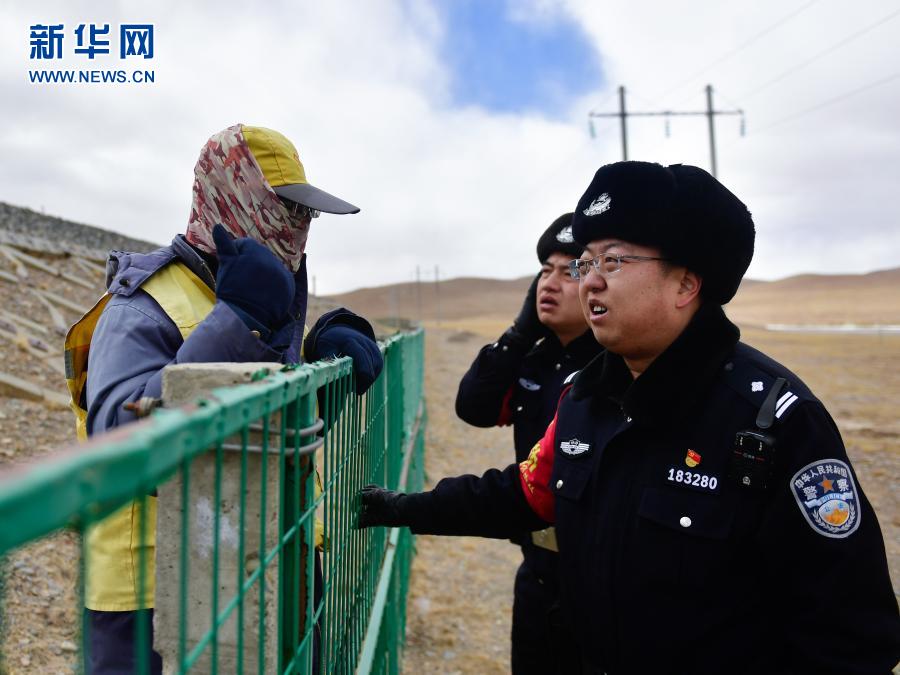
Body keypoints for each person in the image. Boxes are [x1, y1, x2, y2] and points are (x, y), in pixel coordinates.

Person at [358, 161, 900, 673]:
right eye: (586, 263)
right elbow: (526, 495)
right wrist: (401, 508)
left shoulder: (773, 422)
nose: (589, 281)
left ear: (686, 283)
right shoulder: (584, 398)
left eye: (612, 262)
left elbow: (852, 636)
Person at [65, 124, 383, 674]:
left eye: (307, 213)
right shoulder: (141, 307)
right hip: (154, 599)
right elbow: (118, 440)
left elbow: (263, 423)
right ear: (232, 193)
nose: (300, 226)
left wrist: (320, 365)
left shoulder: (258, 294)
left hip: (262, 560)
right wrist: (237, 322)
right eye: (286, 207)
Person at [455, 212, 600, 673]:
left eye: (569, 271)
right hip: (537, 571)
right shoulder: (534, 360)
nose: (549, 284)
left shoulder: (614, 364)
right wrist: (518, 335)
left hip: (598, 580)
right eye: (544, 271)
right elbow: (473, 407)